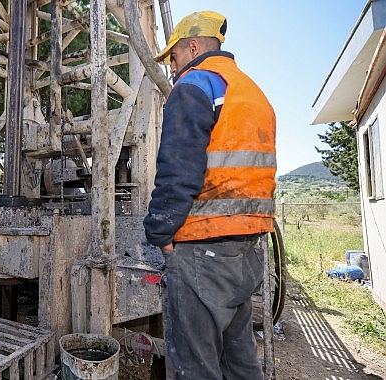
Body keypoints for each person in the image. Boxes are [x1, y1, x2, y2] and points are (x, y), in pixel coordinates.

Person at [143, 11, 276, 379]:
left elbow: (178, 169)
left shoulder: (193, 85)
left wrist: (160, 232)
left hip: (203, 245)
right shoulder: (250, 91)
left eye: (173, 56)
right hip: (247, 247)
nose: (172, 65)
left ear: (194, 46)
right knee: (239, 358)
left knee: (194, 365)